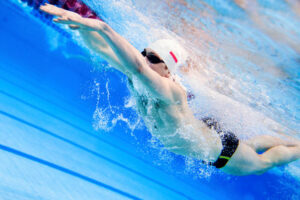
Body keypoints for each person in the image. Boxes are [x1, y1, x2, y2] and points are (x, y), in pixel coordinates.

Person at [40, 3, 300, 176]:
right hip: (205, 135)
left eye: (153, 58)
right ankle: (292, 139)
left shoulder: (170, 91)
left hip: (222, 152)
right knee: (251, 144)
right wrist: (80, 25)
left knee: (262, 162)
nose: (145, 59)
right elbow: (102, 48)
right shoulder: (139, 76)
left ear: (168, 71)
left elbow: (136, 66)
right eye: (144, 53)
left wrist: (103, 27)